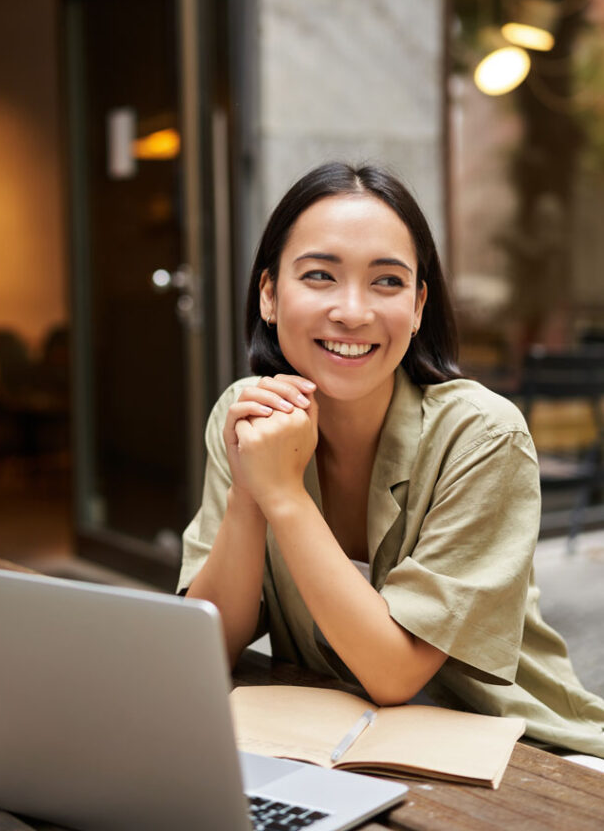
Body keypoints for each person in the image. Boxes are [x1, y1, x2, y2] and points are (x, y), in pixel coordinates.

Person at [178, 161, 604, 761]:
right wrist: (250, 492)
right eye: (320, 276)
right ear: (269, 295)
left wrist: (285, 497)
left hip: (521, 753)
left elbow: (395, 672)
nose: (353, 311)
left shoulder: (483, 435)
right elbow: (209, 646)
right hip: (335, 744)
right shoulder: (248, 417)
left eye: (387, 282)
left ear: (419, 305)